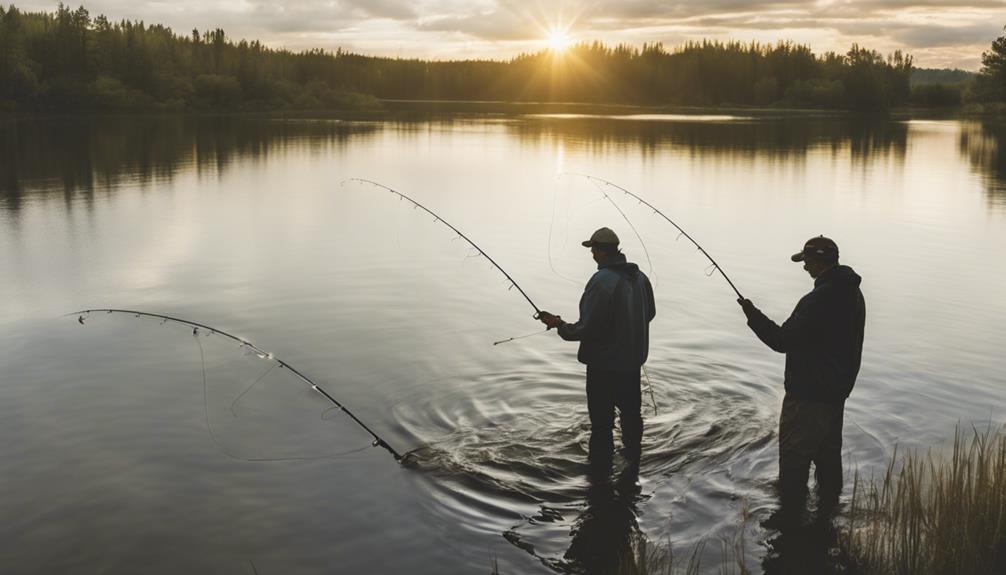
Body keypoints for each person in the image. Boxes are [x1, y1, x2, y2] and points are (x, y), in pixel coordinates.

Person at [736, 236, 865, 525]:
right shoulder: (853, 294)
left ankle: (790, 519)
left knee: (795, 460)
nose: (804, 267)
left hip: (807, 397)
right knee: (828, 461)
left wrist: (752, 315)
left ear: (818, 260)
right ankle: (828, 515)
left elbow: (782, 340)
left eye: (806, 261)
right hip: (835, 395)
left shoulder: (818, 299)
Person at [538, 227, 656, 467]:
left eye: (593, 249)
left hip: (604, 369)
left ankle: (599, 477)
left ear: (602, 251)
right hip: (631, 367)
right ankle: (632, 465)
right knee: (632, 418)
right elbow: (650, 313)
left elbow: (585, 329)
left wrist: (558, 324)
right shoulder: (640, 277)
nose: (591, 254)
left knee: (602, 426)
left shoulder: (601, 281)